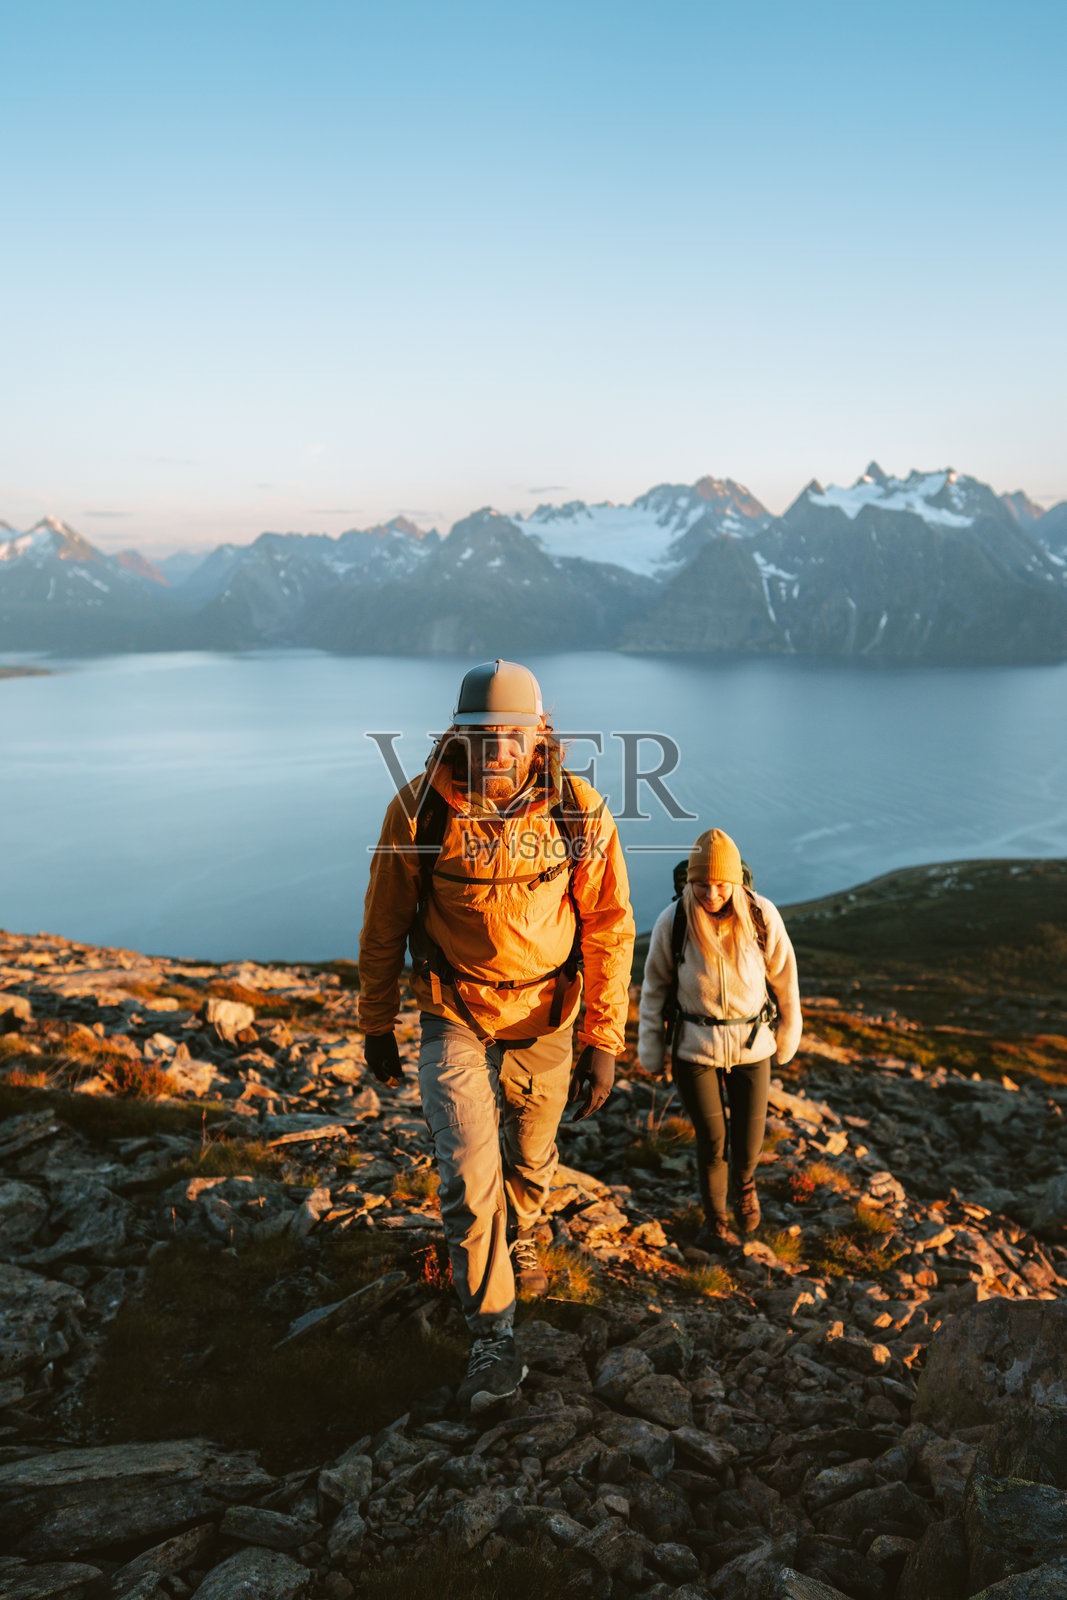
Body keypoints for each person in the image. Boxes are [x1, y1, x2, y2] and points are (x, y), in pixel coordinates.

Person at [358, 660, 635, 1412]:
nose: (499, 750)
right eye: (483, 735)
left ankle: (527, 1228)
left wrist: (602, 1039)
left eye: (513, 734)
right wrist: (376, 1020)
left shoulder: (578, 810)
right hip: (453, 1012)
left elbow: (609, 926)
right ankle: (492, 1334)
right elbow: (385, 918)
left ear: (539, 732)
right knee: (468, 1169)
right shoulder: (419, 810)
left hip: (548, 1012)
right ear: (460, 734)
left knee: (533, 1149)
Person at [637, 828, 802, 1250]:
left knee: (748, 1143)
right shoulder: (673, 920)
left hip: (753, 1048)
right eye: (702, 884)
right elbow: (654, 988)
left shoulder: (762, 915)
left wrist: (787, 1032)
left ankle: (744, 1187)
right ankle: (716, 1222)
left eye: (720, 884)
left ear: (736, 882)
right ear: (690, 881)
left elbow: (785, 980)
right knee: (713, 1142)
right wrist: (651, 1048)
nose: (711, 893)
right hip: (695, 1049)